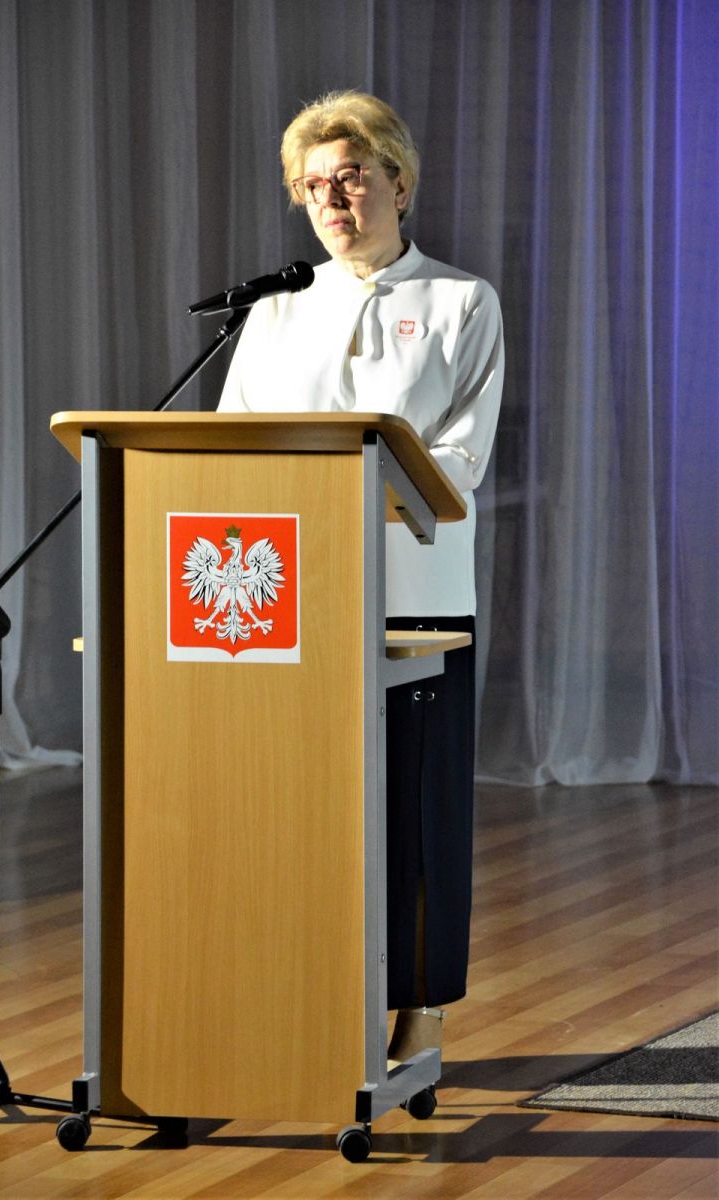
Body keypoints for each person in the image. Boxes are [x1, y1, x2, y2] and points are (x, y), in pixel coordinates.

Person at [217, 91, 504, 1060]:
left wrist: (354, 489)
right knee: (296, 809)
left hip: (415, 598)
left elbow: (459, 457)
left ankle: (420, 1007)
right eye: (313, 186)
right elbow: (228, 449)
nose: (332, 200)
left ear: (399, 184)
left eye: (350, 178)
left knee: (415, 808)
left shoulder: (462, 302)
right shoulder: (274, 310)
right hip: (287, 602)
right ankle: (302, 995)